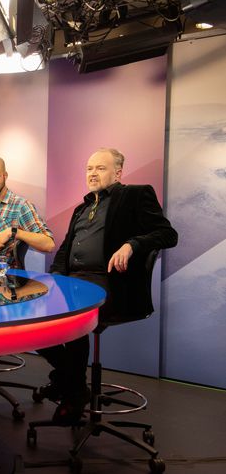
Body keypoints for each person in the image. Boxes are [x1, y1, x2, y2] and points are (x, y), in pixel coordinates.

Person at [37, 147, 178, 425]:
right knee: (32, 317)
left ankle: (71, 390)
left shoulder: (135, 195)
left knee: (74, 317)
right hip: (73, 282)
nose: (92, 173)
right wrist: (54, 279)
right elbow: (64, 251)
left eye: (100, 168)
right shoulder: (82, 207)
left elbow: (167, 234)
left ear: (118, 172)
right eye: (89, 168)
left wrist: (132, 244)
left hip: (109, 283)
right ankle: (72, 383)